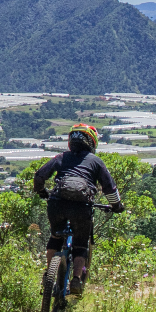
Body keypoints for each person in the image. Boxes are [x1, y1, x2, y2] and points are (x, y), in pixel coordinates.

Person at [32, 123, 125, 296]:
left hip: (57, 203)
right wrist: (117, 206)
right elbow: (110, 188)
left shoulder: (61, 157)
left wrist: (42, 192)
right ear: (92, 142)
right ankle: (76, 280)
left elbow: (39, 176)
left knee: (55, 236)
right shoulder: (96, 162)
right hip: (82, 207)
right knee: (80, 244)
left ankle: (48, 276)